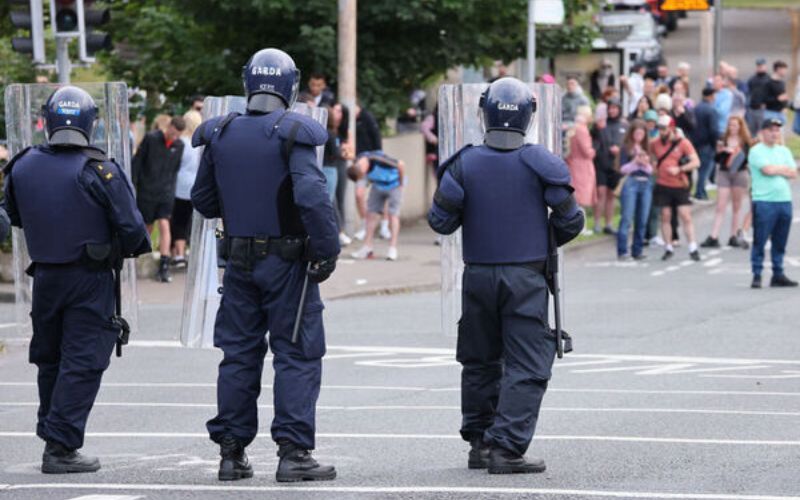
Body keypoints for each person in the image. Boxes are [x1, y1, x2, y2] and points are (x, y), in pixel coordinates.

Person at [191, 48, 340, 482]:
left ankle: (231, 454)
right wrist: (326, 249)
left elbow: (203, 200)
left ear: (248, 82)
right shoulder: (293, 132)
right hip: (288, 262)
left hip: (238, 262)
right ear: (291, 86)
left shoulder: (220, 132)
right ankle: (293, 454)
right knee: (296, 354)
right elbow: (312, 197)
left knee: (238, 355)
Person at [427, 77, 584, 474]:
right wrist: (545, 237)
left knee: (479, 361)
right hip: (525, 278)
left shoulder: (463, 163)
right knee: (527, 363)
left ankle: (480, 444)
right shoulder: (539, 162)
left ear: (485, 113)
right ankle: (507, 449)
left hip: (478, 276)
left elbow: (440, 222)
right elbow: (571, 219)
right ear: (529, 117)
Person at [2, 86, 150, 474]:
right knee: (83, 359)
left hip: (45, 275)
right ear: (90, 122)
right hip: (90, 276)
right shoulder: (99, 168)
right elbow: (134, 232)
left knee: (50, 356)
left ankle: (51, 431)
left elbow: (14, 216)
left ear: (48, 120)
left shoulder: (23, 164)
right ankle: (61, 445)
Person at [132, 115, 186, 282]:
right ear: (169, 127)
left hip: (165, 193)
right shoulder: (151, 139)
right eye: (173, 133)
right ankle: (140, 259)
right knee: (147, 226)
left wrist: (171, 190)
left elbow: (174, 170)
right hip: (147, 193)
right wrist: (134, 186)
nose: (174, 137)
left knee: (164, 224)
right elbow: (137, 164)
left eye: (178, 135)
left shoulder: (179, 145)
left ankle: (164, 265)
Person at [748, 118, 798, 288]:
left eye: (777, 130)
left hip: (783, 199)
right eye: (771, 130)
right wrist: (781, 169)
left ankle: (778, 273)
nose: (774, 133)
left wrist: (779, 169)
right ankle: (757, 273)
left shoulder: (783, 151)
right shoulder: (756, 151)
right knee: (760, 239)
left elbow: (793, 173)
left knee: (780, 239)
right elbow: (766, 170)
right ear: (762, 132)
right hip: (764, 201)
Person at [651, 115, 702, 261]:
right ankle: (668, 247)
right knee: (665, 215)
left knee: (685, 215)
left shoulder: (683, 143)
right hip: (663, 183)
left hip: (679, 184)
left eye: (664, 128)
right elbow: (652, 157)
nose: (661, 131)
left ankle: (692, 246)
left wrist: (679, 169)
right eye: (659, 128)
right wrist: (654, 165)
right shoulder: (655, 143)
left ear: (671, 128)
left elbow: (696, 162)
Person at [701, 116, 753, 250]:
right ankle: (714, 235)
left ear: (740, 127)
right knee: (721, 205)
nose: (732, 128)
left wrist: (736, 153)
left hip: (739, 174)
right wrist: (722, 151)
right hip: (724, 173)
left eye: (735, 125)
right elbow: (717, 159)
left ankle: (733, 235)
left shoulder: (745, 142)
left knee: (736, 206)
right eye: (730, 125)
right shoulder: (723, 140)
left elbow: (748, 159)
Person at [349, 151, 405, 261]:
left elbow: (401, 164)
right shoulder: (358, 164)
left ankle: (392, 249)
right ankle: (367, 247)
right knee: (371, 214)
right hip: (378, 186)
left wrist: (401, 183)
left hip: (394, 184)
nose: (364, 177)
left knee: (393, 215)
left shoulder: (378, 159)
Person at [617, 120, 653, 260]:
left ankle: (637, 250)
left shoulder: (647, 148)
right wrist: (635, 162)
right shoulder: (626, 148)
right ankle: (622, 250)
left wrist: (645, 163)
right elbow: (622, 169)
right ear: (632, 133)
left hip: (645, 183)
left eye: (642, 133)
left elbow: (650, 170)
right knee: (626, 217)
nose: (639, 135)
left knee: (642, 218)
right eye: (637, 133)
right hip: (631, 182)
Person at [170, 110, 202, 267]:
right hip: (197, 186)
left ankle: (179, 254)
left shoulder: (181, 142)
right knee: (194, 222)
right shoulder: (202, 143)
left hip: (180, 187)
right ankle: (195, 253)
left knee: (179, 221)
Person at [593, 99, 626, 235]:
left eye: (615, 108)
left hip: (616, 165)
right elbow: (592, 135)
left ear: (619, 109)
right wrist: (596, 127)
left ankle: (608, 224)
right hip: (601, 163)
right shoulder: (601, 124)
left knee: (611, 195)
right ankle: (596, 224)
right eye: (610, 108)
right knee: (600, 193)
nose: (612, 110)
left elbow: (627, 144)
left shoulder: (624, 125)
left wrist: (619, 149)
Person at [323, 103, 354, 246]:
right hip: (330, 165)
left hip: (337, 166)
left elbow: (349, 152)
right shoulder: (329, 131)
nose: (336, 113)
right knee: (331, 201)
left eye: (339, 111)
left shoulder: (340, 131)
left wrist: (343, 151)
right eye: (334, 110)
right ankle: (338, 232)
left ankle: (340, 232)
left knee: (337, 199)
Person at [565, 106, 596, 218]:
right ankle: (581, 226)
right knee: (581, 197)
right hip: (582, 166)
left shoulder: (574, 127)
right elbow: (587, 152)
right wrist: (593, 151)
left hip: (572, 163)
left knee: (575, 196)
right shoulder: (582, 130)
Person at [691, 88, 720, 201]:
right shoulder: (711, 110)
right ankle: (700, 192)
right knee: (704, 170)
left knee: (700, 170)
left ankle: (700, 191)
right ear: (711, 96)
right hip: (707, 144)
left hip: (696, 143)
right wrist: (715, 144)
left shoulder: (696, 108)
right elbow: (714, 130)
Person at [746, 58, 770, 134]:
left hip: (762, 109)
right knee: (751, 131)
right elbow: (748, 92)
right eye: (758, 66)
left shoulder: (769, 79)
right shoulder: (752, 79)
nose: (760, 68)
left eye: (761, 66)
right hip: (752, 108)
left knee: (762, 130)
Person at [763, 61, 789, 125]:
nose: (785, 72)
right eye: (784, 70)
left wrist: (785, 106)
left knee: (779, 134)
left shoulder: (782, 83)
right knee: (771, 132)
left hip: (781, 114)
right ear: (778, 69)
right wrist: (777, 99)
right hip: (770, 113)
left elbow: (784, 98)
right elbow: (764, 99)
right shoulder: (768, 83)